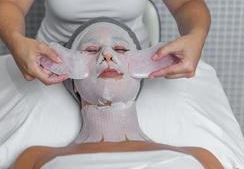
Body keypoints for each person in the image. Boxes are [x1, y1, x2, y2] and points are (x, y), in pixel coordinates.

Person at [11, 18, 223, 169]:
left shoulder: (200, 156)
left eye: (121, 49)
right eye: (91, 50)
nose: (108, 55)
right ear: (73, 83)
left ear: (141, 74)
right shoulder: (35, 158)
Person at [0, 0, 211, 83]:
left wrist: (196, 35)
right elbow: (11, 3)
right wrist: (16, 41)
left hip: (131, 70)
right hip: (57, 69)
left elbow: (187, 2)